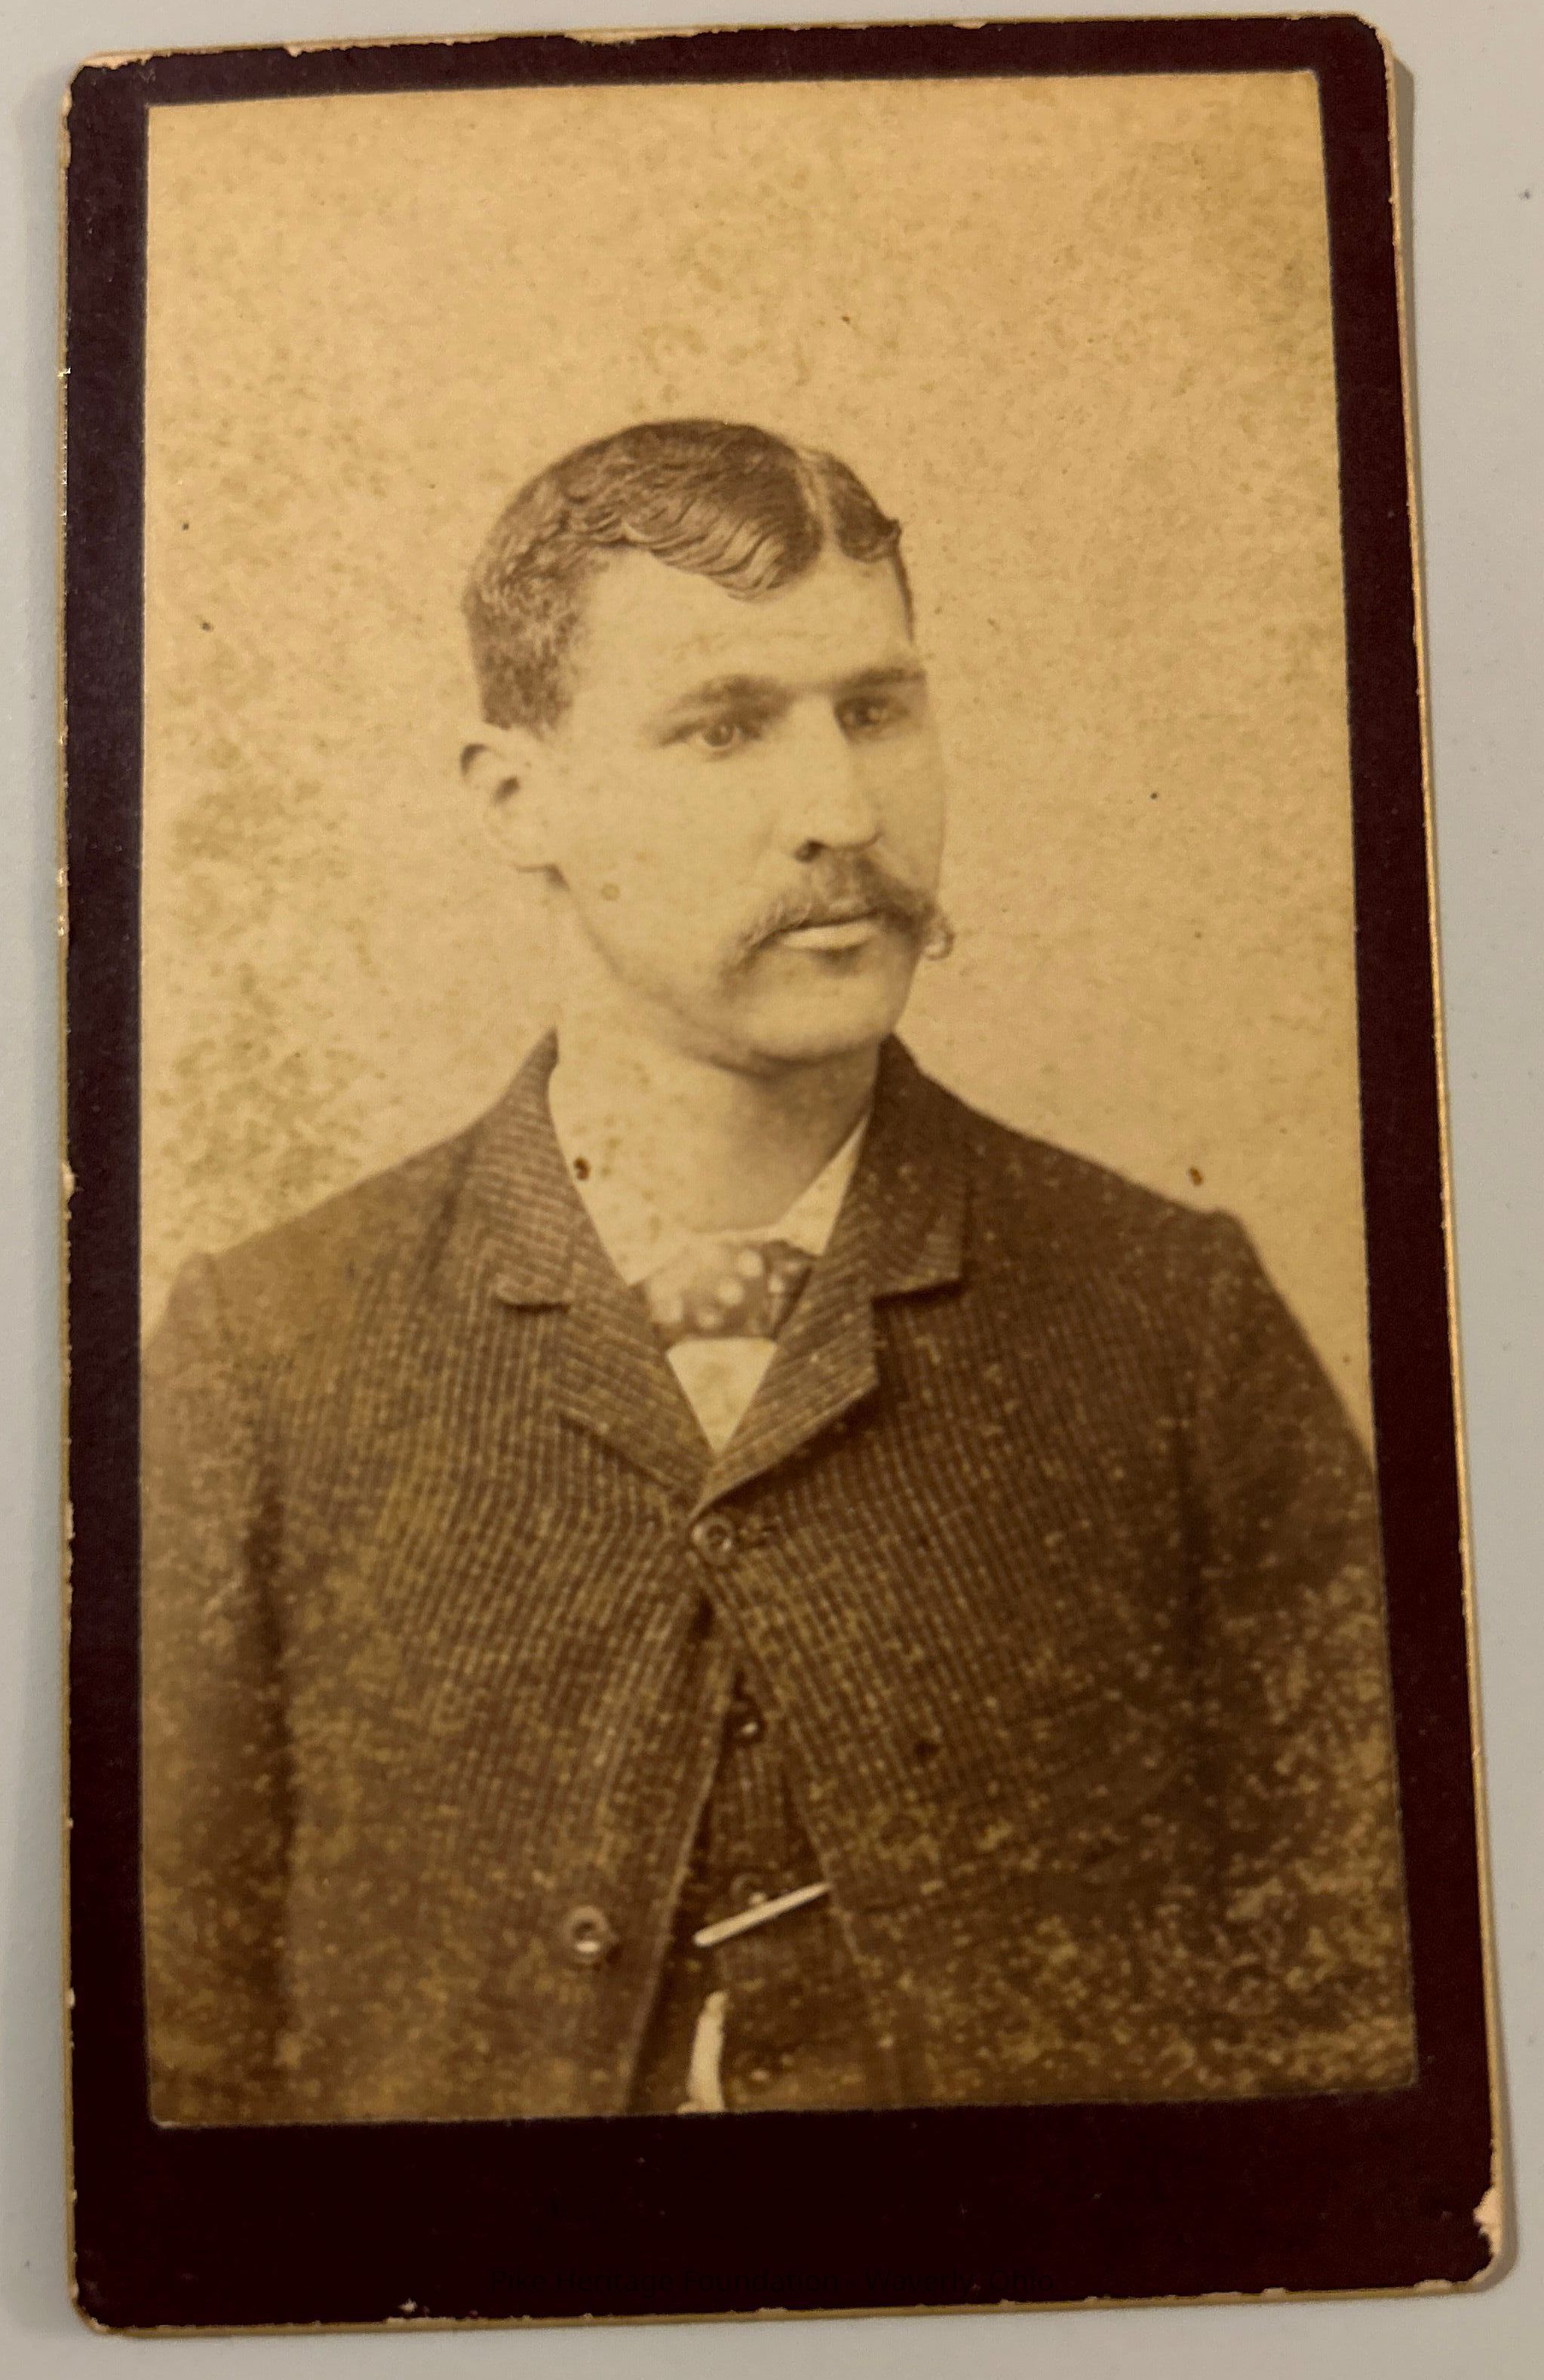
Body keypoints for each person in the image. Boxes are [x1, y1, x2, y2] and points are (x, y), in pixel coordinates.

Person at [142, 419, 1414, 2125]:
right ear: (518, 799)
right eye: (726, 728)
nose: (842, 813)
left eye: (876, 711)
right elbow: (166, 2071)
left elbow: (1367, 2015)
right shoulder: (271, 1351)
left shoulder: (1172, 1320)